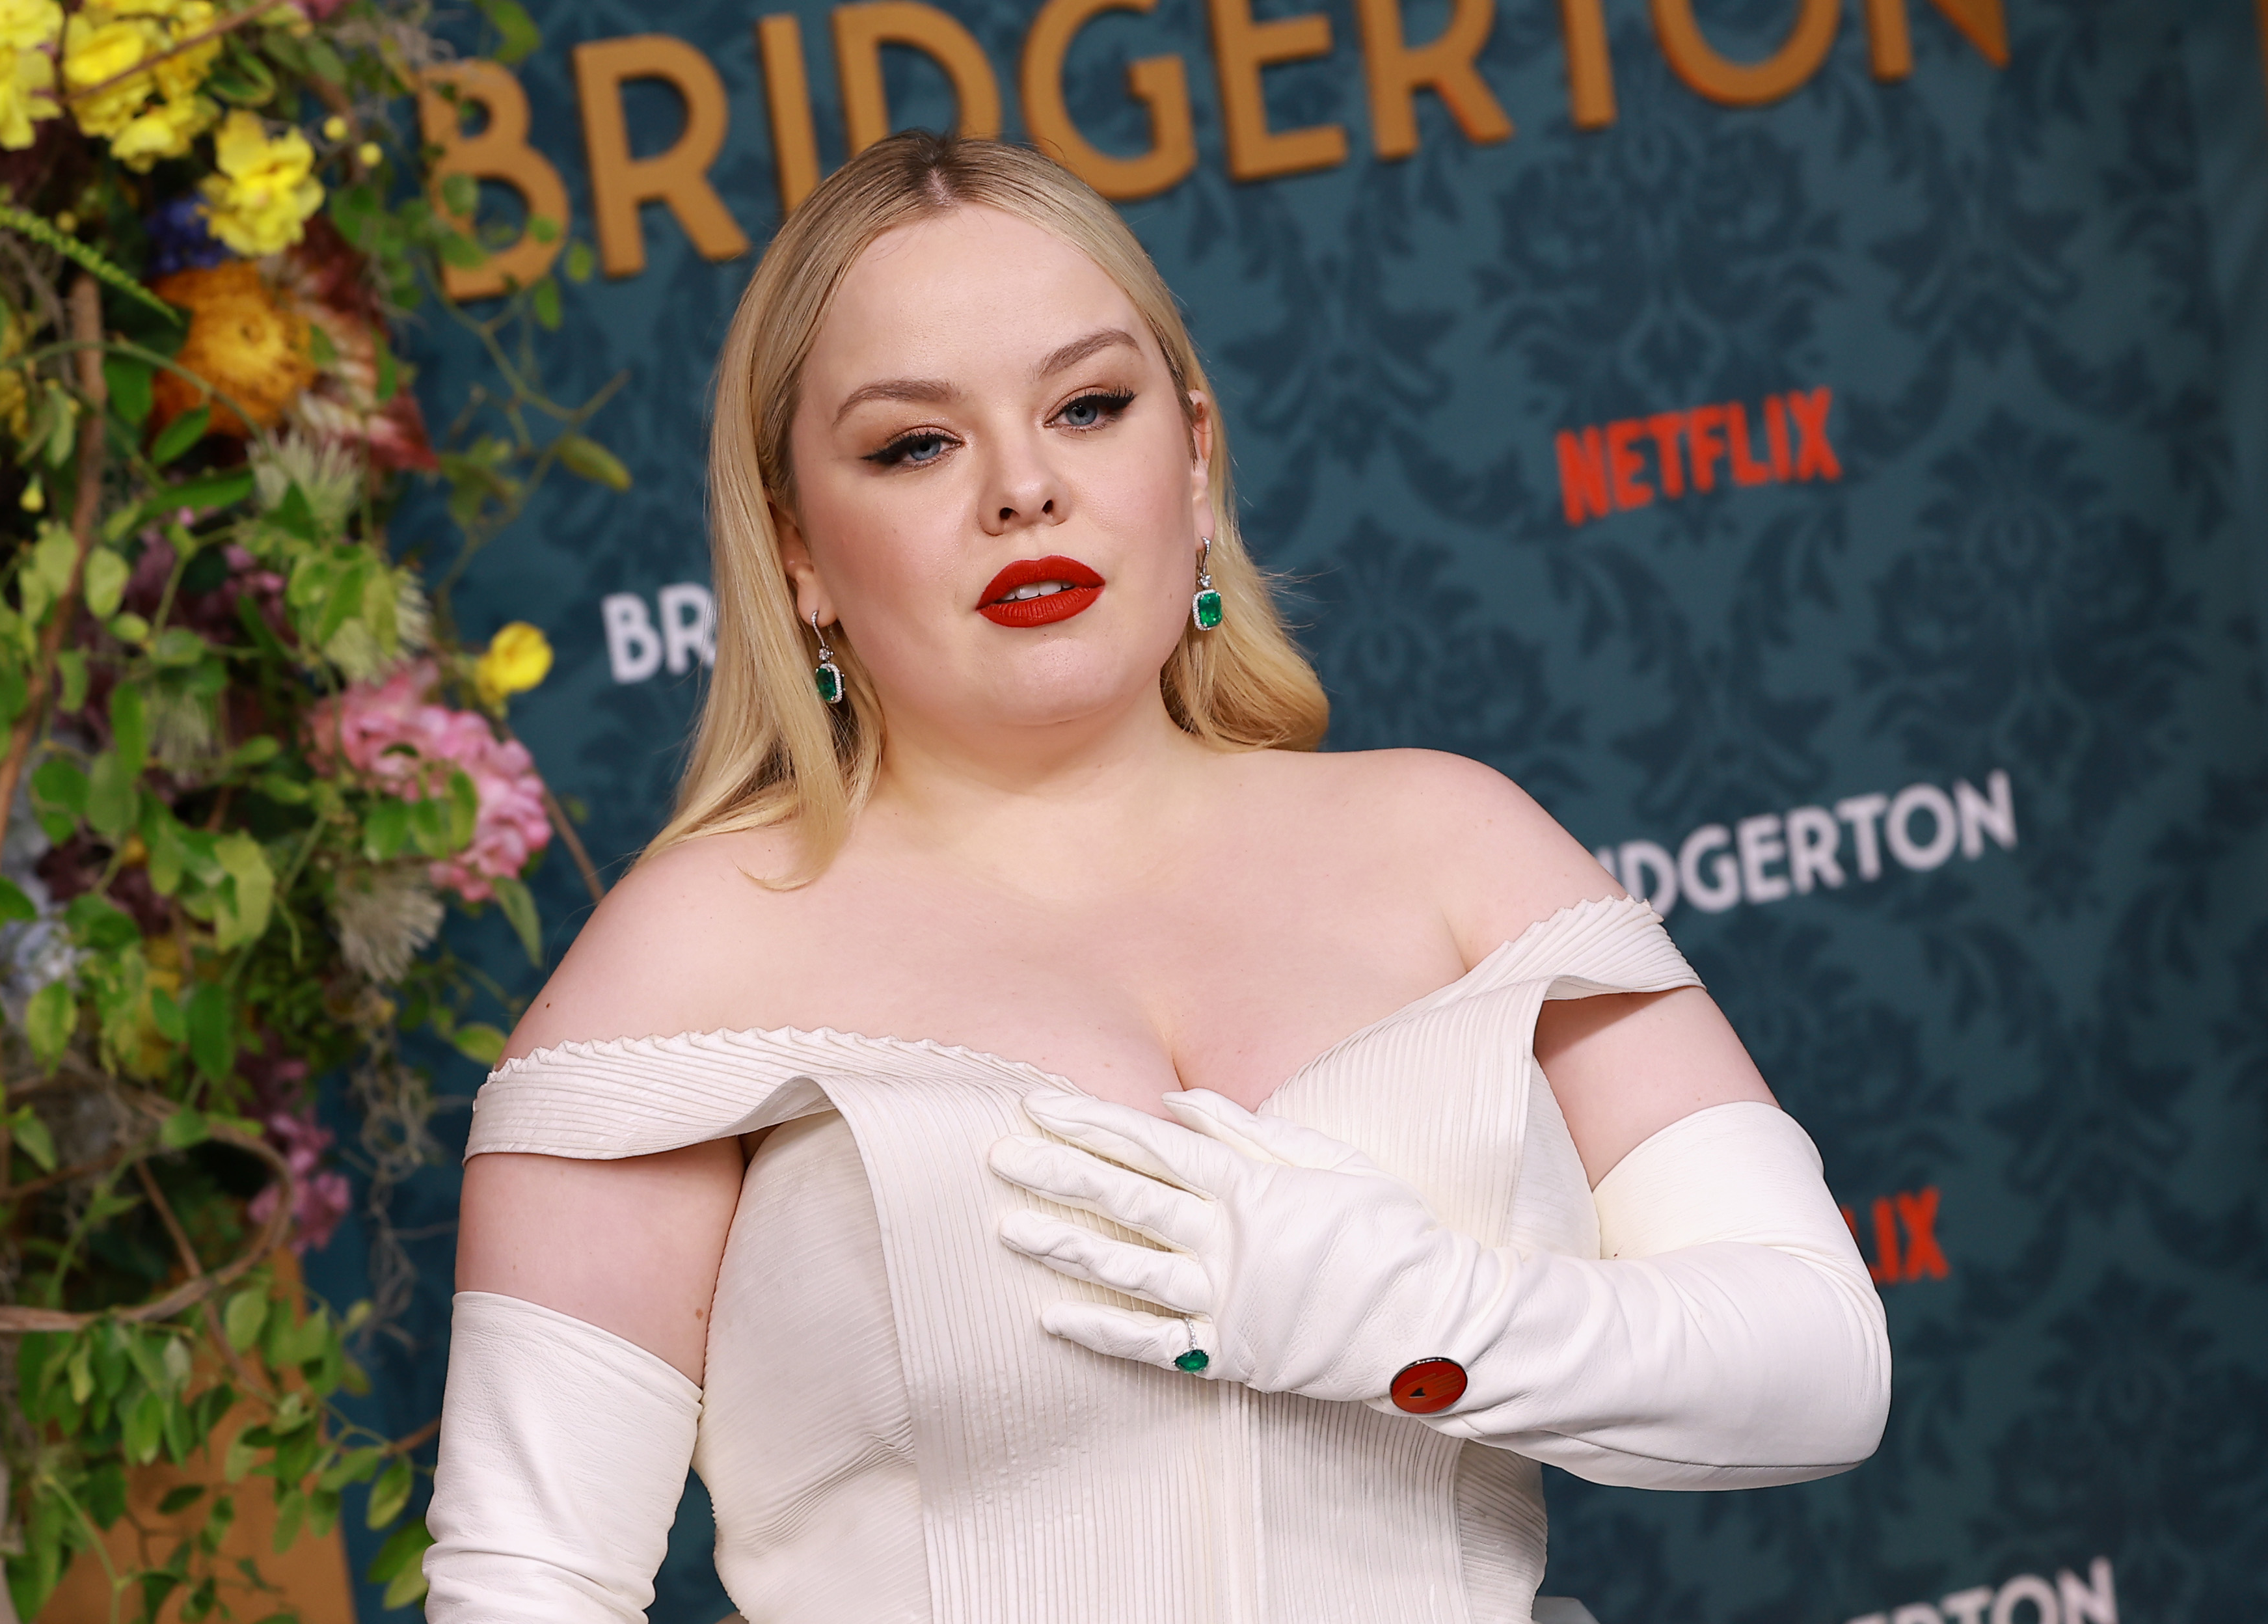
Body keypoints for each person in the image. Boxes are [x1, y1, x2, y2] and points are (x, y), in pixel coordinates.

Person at [422, 131, 1889, 1624]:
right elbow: (527, 1590)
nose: (1023, 489)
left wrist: (1406, 1320)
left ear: (1193, 459)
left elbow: (1818, 1364)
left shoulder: (1456, 840)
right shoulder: (687, 956)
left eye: (1089, 406)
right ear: (799, 550)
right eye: (914, 444)